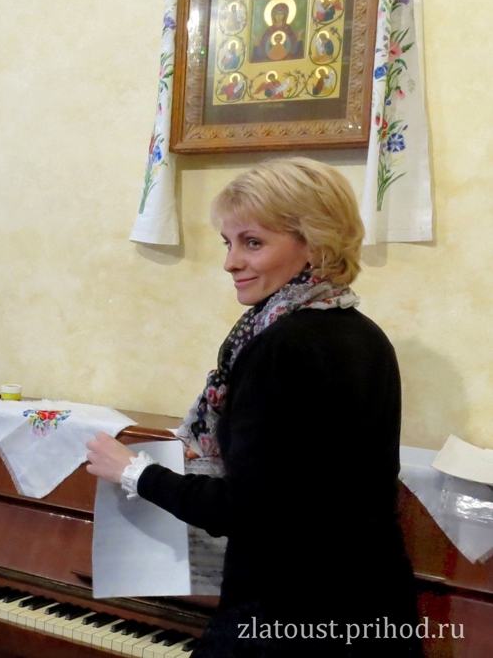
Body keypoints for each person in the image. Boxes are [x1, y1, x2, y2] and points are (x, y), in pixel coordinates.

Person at [86, 157, 424, 657]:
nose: (230, 262)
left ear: (315, 243)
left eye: (253, 243)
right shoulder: (364, 333)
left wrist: (134, 471)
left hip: (291, 612)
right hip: (374, 602)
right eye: (228, 243)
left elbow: (245, 511)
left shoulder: (282, 345)